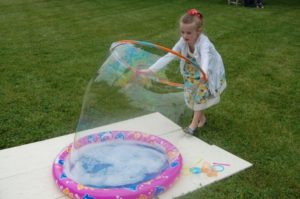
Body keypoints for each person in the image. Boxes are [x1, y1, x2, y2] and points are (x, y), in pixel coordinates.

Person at [138, 8, 226, 135]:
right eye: (182, 32)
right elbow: (169, 55)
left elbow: (205, 57)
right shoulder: (182, 41)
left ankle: (193, 125)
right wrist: (150, 70)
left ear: (198, 31)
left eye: (189, 33)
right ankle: (202, 118)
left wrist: (204, 72)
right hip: (191, 71)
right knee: (191, 94)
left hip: (207, 71)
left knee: (200, 94)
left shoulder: (204, 42)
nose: (185, 36)